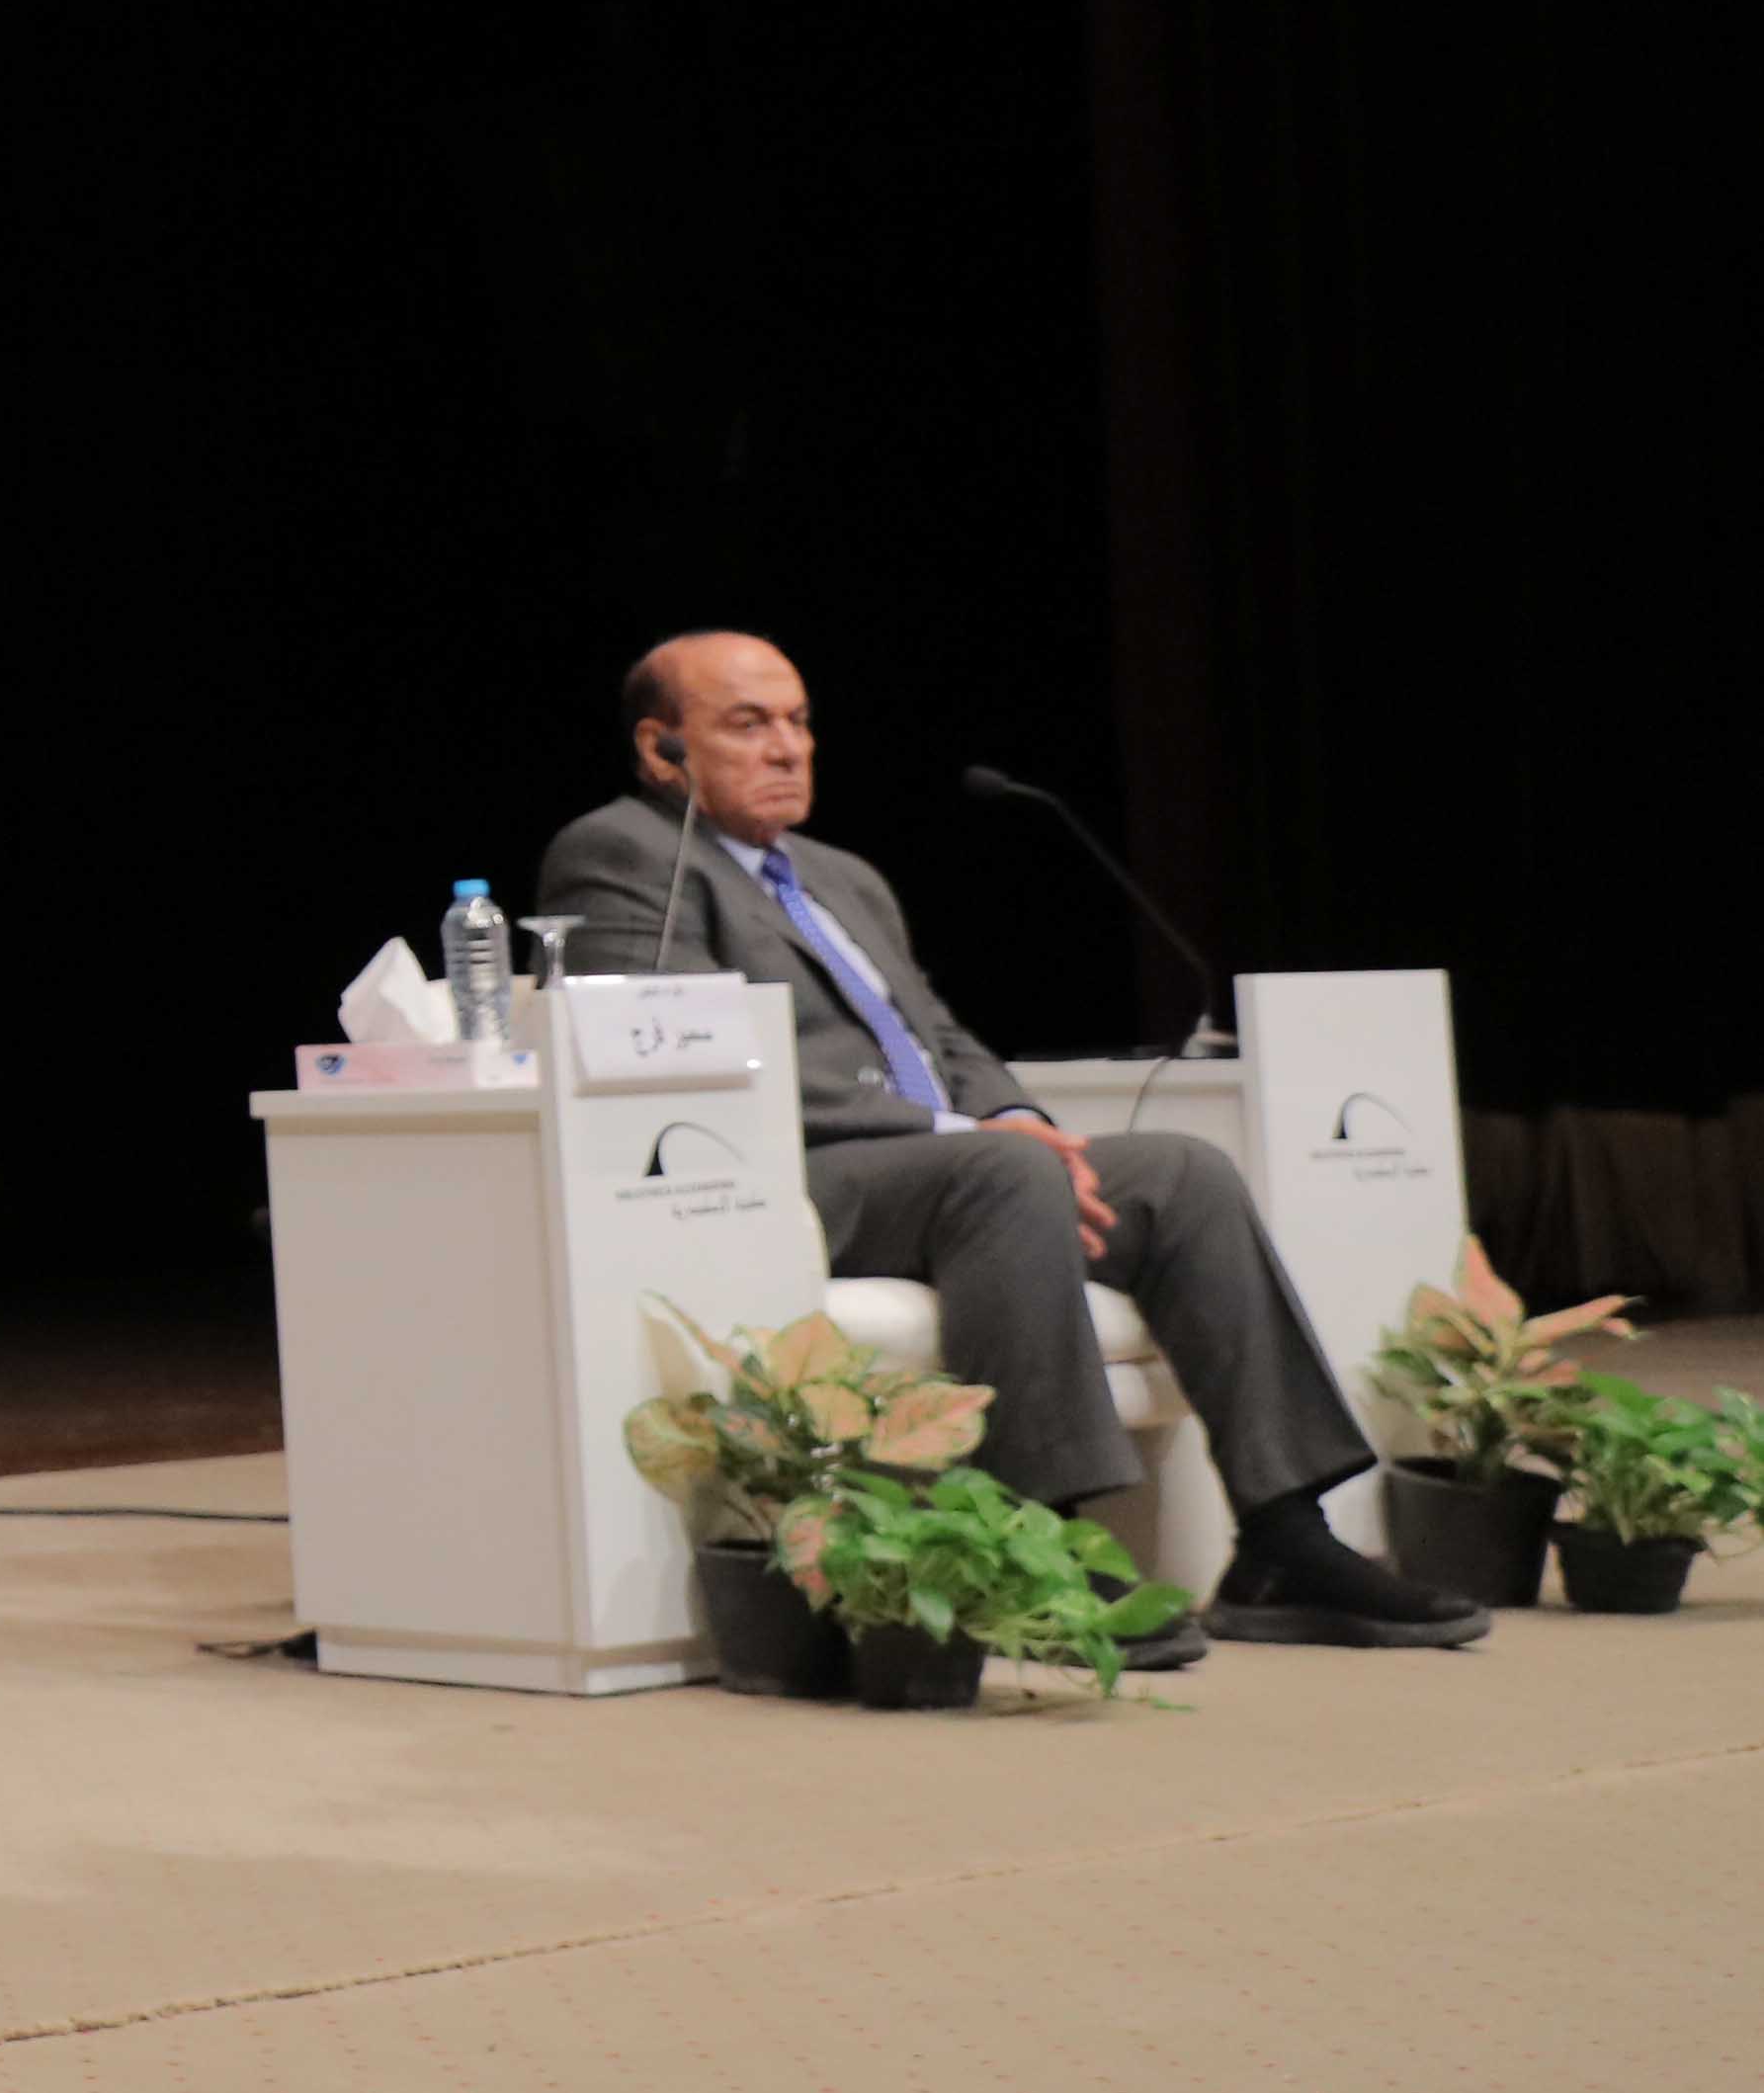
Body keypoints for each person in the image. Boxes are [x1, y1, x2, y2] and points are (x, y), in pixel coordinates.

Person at [535, 632, 1479, 1654]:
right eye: (747, 723)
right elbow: (681, 1060)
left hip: (943, 1159)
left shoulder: (842, 877)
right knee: (1001, 1169)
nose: (787, 747)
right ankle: (1036, 1546)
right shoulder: (623, 854)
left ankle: (1282, 1539)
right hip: (785, 1175)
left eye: (798, 721)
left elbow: (937, 1037)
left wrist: (1017, 1113)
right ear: (660, 747)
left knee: (1181, 1172)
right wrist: (967, 1132)